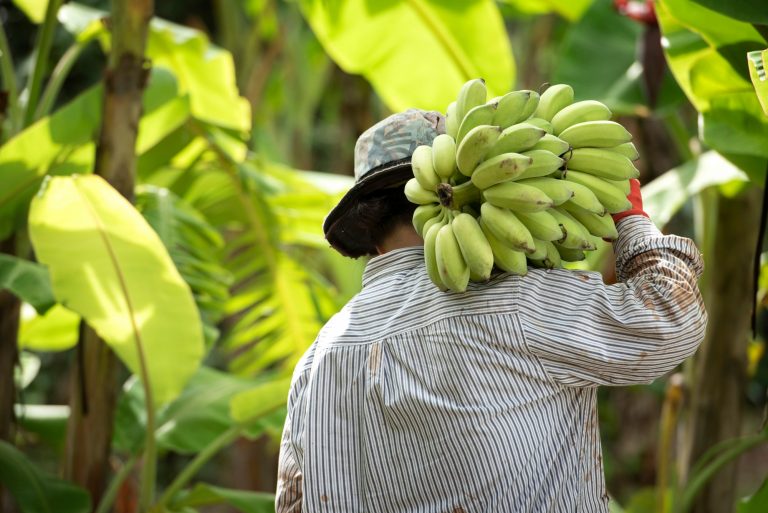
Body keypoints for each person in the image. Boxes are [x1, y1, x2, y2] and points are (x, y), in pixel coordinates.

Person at [275, 109, 707, 512]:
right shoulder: (516, 304)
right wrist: (631, 219)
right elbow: (672, 316)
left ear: (368, 234)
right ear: (475, 195)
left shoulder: (317, 359)